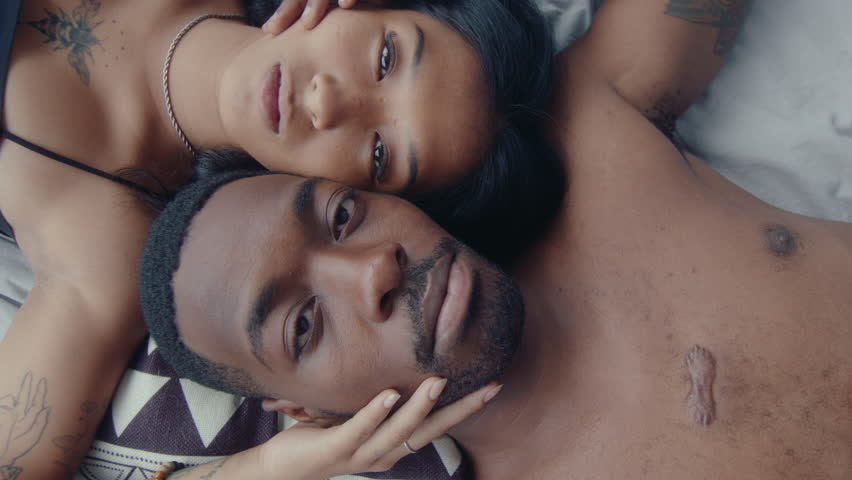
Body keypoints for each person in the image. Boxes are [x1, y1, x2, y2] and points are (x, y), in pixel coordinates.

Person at [141, 0, 852, 478]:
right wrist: (254, 470)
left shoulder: (589, 137)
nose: (370, 273)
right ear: (308, 415)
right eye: (304, 324)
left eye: (343, 217)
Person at [0, 0, 555, 477]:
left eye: (380, 154)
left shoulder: (102, 259)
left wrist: (264, 468)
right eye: (385, 58)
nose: (325, 102)